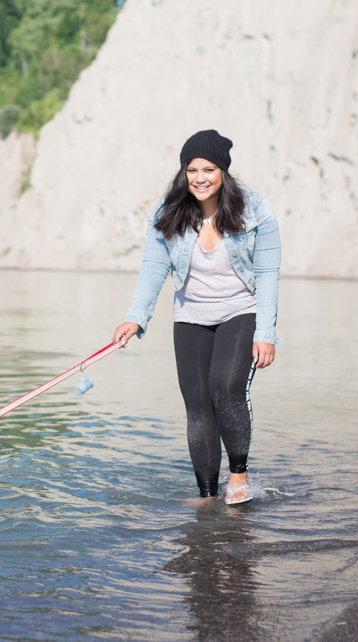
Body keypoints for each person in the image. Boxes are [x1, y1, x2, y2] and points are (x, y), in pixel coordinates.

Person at [112, 130, 281, 505]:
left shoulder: (253, 208)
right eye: (192, 169)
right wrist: (136, 317)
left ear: (223, 171)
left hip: (241, 310)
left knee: (226, 387)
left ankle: (239, 476)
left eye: (209, 169)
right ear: (183, 172)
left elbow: (268, 272)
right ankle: (206, 495)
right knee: (198, 405)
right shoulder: (169, 209)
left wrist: (265, 332)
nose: (200, 178)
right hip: (190, 316)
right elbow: (154, 266)